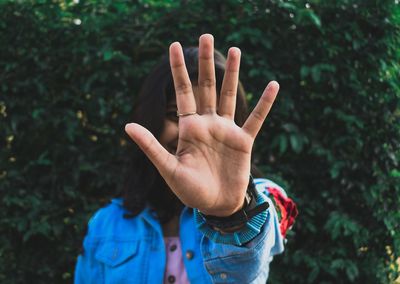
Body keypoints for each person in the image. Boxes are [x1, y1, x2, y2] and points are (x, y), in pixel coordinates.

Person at [74, 34, 297, 284]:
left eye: (206, 118)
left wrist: (231, 215)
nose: (191, 133)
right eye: (174, 115)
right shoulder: (105, 224)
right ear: (152, 119)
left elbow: (265, 234)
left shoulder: (260, 199)